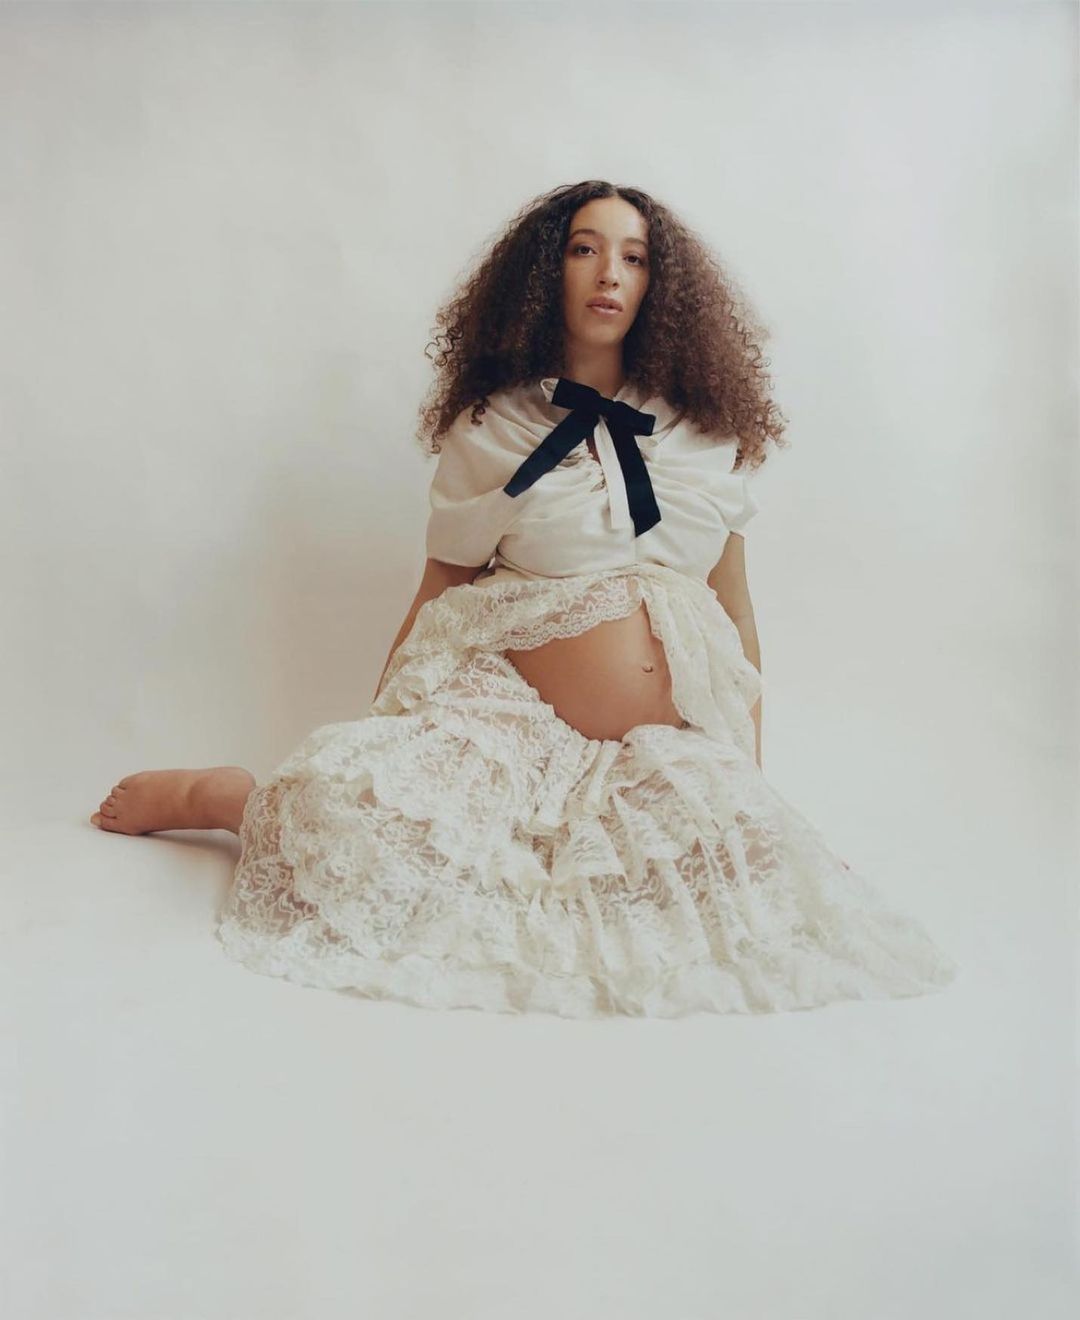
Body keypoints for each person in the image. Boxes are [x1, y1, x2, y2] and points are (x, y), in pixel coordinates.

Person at [89, 180, 959, 1018]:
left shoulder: (703, 435)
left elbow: (736, 615)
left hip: (656, 750)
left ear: (660, 287)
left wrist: (754, 793)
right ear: (547, 274)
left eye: (634, 257)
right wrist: (383, 750)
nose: (610, 273)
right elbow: (439, 593)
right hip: (509, 727)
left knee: (750, 886)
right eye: (585, 250)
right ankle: (231, 800)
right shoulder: (493, 429)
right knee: (352, 824)